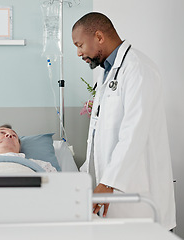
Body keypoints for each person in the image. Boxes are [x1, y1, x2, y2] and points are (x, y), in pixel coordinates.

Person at [71, 12, 176, 230]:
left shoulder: (138, 69)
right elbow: (99, 133)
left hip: (139, 192)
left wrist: (108, 182)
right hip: (115, 190)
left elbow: (134, 132)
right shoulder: (108, 73)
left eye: (80, 44)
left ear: (99, 36)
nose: (79, 53)